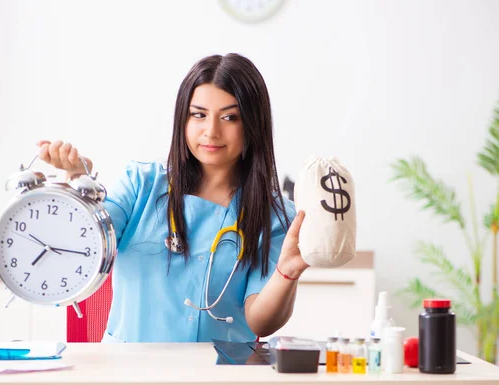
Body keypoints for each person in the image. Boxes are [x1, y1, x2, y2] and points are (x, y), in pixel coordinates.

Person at [37, 53, 309, 343]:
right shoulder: (141, 185)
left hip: (218, 376)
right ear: (183, 118)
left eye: (230, 117)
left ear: (253, 125)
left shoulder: (276, 217)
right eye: (199, 115)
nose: (211, 131)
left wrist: (287, 272)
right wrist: (78, 184)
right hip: (129, 376)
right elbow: (82, 246)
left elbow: (260, 322)